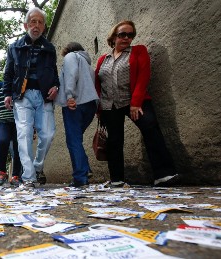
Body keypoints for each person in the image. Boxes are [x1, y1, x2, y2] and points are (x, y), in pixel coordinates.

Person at [95, 20, 179, 187]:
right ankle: (117, 179)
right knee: (115, 141)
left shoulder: (139, 51)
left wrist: (135, 103)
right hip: (109, 105)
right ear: (114, 36)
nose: (127, 38)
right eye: (122, 34)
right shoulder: (103, 59)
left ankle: (164, 174)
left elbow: (143, 76)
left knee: (150, 127)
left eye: (130, 35)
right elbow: (98, 84)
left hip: (134, 101)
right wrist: (99, 108)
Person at [3, 7, 60, 188]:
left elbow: (54, 72)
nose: (36, 26)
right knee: (24, 134)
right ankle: (28, 177)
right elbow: (9, 73)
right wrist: (6, 94)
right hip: (22, 96)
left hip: (44, 96)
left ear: (44, 27)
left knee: (48, 134)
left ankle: (36, 167)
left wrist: (56, 86)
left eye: (40, 22)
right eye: (33, 22)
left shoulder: (50, 48)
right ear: (26, 24)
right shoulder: (15, 47)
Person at [54, 42, 99, 187]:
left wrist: (69, 96)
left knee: (73, 140)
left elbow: (71, 75)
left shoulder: (70, 57)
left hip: (75, 104)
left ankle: (80, 177)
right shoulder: (87, 64)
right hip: (90, 105)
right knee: (76, 139)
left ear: (67, 50)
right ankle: (85, 168)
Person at [0, 82, 22, 186]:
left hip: (18, 121)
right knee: (3, 141)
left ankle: (15, 176)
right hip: (2, 121)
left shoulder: (19, 84)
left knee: (18, 147)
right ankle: (2, 172)